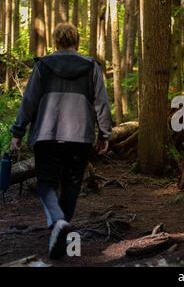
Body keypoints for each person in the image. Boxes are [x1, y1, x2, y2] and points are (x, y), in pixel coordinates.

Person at [10, 23, 113, 259]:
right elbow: (101, 103)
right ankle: (61, 225)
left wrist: (17, 132)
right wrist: (104, 134)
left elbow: (29, 101)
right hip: (79, 136)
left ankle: (57, 222)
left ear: (56, 42)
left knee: (46, 183)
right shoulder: (90, 66)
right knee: (71, 183)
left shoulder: (43, 66)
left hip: (47, 135)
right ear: (77, 41)